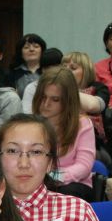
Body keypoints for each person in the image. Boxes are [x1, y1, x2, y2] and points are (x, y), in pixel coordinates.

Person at [30, 67, 96, 199]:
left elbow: (84, 166)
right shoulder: (29, 125)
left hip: (73, 186)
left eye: (55, 99)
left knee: (63, 193)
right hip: (36, 183)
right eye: (43, 97)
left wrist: (53, 177)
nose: (46, 104)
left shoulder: (83, 124)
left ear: (68, 101)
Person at [7, 32, 47, 98]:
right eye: (26, 47)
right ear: (20, 53)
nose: (31, 49)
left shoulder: (49, 70)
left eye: (36, 46)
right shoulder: (13, 73)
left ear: (42, 51)